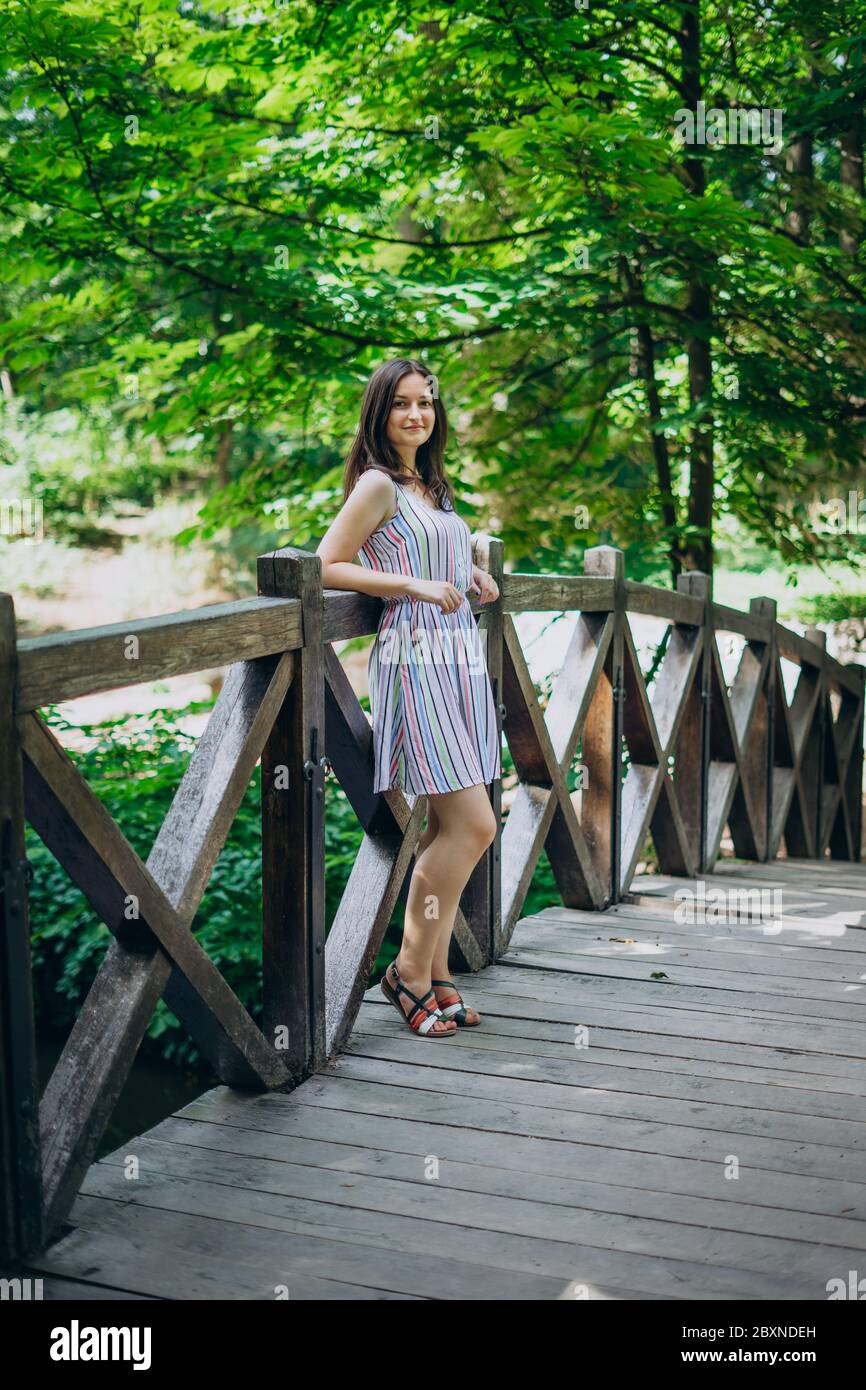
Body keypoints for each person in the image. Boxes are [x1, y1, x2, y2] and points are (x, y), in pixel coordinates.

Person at [316, 358, 501, 1037]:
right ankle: (408, 974)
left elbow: (430, 550)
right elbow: (328, 561)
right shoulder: (376, 483)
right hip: (415, 660)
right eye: (402, 405)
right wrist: (413, 587)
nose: (416, 415)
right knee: (472, 825)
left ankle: (436, 970)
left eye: (425, 403)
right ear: (379, 413)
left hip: (456, 662)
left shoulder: (431, 485)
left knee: (455, 826)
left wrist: (470, 571)